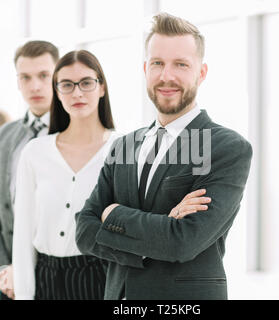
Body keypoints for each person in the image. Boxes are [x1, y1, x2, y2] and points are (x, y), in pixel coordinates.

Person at [75, 12, 252, 300]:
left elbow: (183, 242)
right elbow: (84, 231)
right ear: (145, 68)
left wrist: (112, 214)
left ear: (201, 72)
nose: (166, 76)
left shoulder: (225, 147)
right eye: (157, 63)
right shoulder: (124, 146)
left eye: (181, 64)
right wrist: (160, 230)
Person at [12, 50, 119, 300]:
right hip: (45, 278)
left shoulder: (123, 149)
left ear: (101, 87)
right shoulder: (35, 152)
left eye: (86, 83)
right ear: (57, 92)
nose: (77, 93)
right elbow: (23, 234)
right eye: (67, 85)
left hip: (99, 278)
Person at [0, 40, 59, 300]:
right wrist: (6, 268)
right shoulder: (5, 136)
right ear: (17, 81)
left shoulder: (76, 134)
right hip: (8, 278)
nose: (34, 86)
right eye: (25, 77)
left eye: (44, 75)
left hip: (61, 274)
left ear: (58, 77)